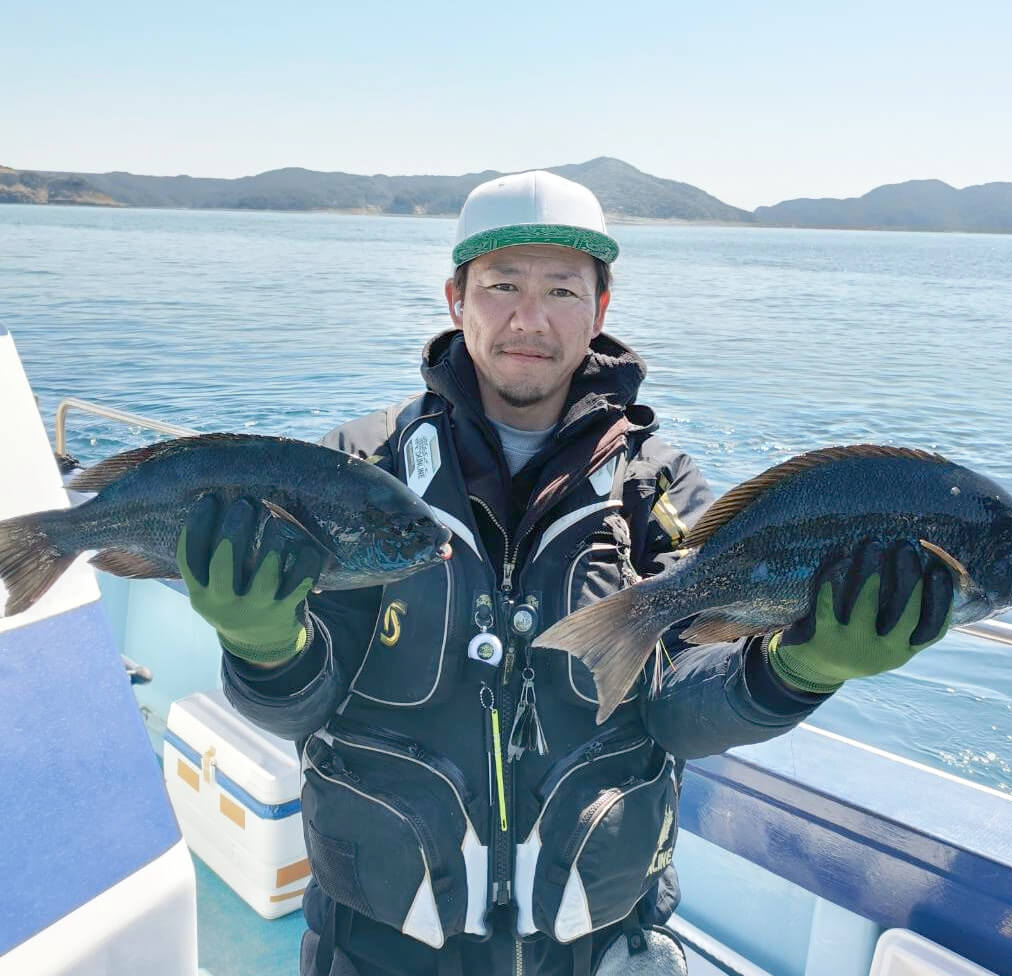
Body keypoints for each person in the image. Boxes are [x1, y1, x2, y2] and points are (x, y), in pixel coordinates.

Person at [176, 171, 954, 976]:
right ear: (456, 300)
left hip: (599, 946)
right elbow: (301, 707)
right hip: (374, 945)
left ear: (600, 310)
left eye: (561, 291)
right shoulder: (361, 469)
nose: (529, 319)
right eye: (502, 286)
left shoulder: (662, 490)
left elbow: (682, 712)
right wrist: (260, 643)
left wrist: (800, 667)